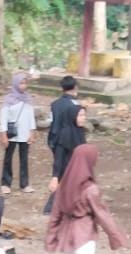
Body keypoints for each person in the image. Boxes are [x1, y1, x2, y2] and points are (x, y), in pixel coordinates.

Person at [45, 75, 85, 214]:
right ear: (75, 87)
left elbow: (52, 122)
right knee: (65, 173)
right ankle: (53, 205)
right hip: (67, 141)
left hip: (55, 139)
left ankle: (61, 205)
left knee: (64, 172)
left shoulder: (55, 104)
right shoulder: (74, 105)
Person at [0, 72, 37, 195]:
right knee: (8, 158)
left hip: (25, 134)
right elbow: (3, 117)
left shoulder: (28, 99)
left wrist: (32, 132)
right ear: (15, 84)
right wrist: (3, 134)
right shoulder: (9, 99)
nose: (23, 86)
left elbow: (31, 117)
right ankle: (5, 183)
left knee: (24, 159)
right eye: (21, 83)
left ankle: (24, 184)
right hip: (12, 134)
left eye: (25, 83)